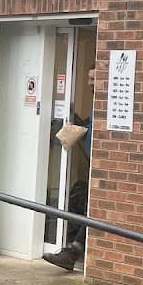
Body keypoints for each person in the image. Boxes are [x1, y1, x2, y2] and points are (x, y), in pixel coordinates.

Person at [43, 69, 94, 271]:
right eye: (89, 78)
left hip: (99, 167)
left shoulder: (105, 103)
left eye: (94, 79)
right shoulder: (95, 104)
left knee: (91, 208)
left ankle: (74, 251)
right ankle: (74, 249)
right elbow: (90, 127)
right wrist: (75, 120)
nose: (90, 83)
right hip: (91, 164)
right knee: (81, 202)